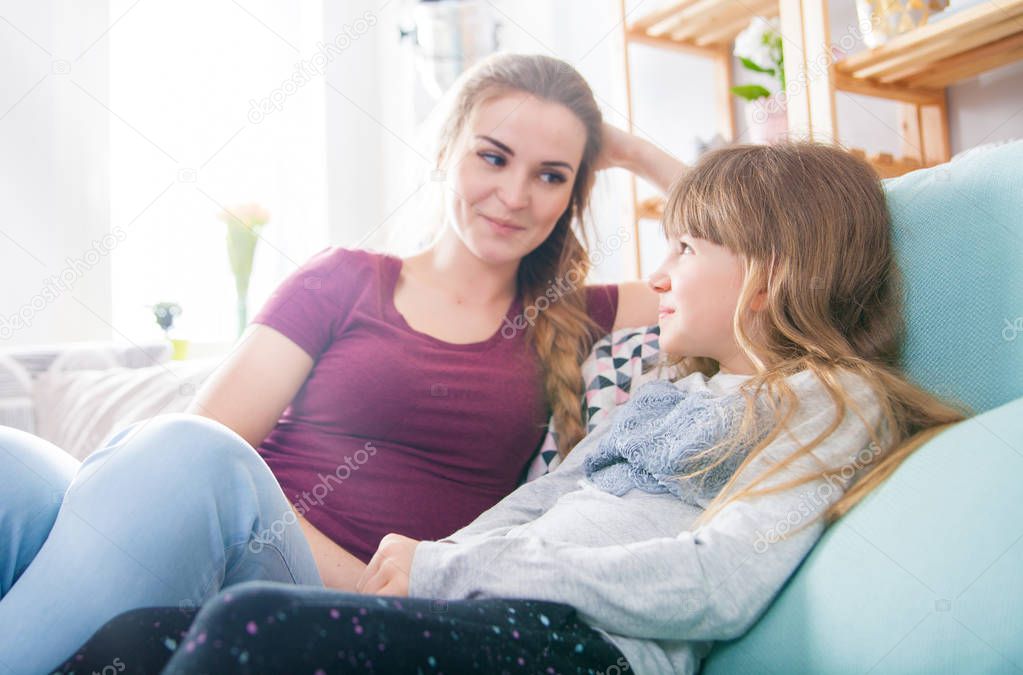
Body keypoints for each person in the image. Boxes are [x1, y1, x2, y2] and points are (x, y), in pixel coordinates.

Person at [150, 142, 966, 675]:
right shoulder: (664, 388)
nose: (660, 272)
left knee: (249, 628)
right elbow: (539, 499)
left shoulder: (828, 396)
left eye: (685, 247)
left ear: (771, 272)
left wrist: (457, 570)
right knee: (143, 636)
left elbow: (720, 579)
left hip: (583, 649)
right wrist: (424, 569)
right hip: (490, 611)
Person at [0, 53, 678, 675]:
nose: (514, 194)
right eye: (493, 157)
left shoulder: (572, 310)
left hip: (343, 592)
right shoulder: (343, 279)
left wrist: (625, 149)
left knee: (194, 451)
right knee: (13, 463)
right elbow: (214, 438)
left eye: (551, 175)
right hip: (242, 534)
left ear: (573, 196)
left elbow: (756, 260)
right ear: (444, 150)